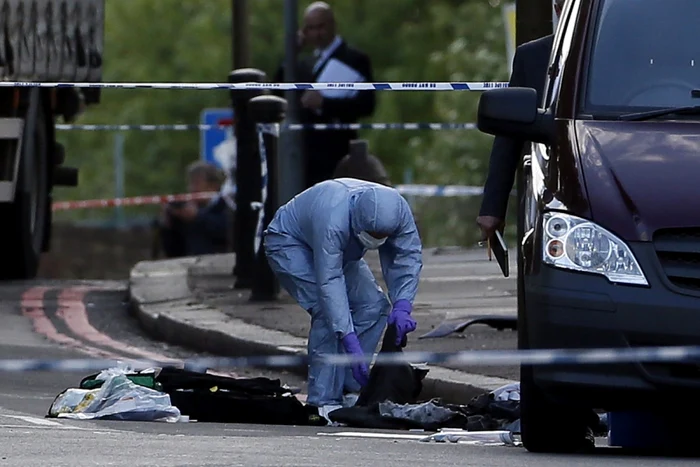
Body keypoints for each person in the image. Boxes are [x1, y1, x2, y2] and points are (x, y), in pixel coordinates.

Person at [263, 178, 422, 416]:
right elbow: (330, 282)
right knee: (326, 313)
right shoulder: (333, 219)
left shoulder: (399, 212)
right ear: (357, 221)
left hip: (337, 250)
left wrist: (402, 305)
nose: (376, 239)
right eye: (371, 233)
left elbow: (407, 256)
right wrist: (348, 337)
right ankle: (323, 401)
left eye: (382, 234)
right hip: (289, 243)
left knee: (374, 306)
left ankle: (351, 387)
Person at [476, 0, 565, 240]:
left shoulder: (632, 55)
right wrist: (492, 207)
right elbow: (509, 131)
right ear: (557, 9)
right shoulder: (533, 57)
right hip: (552, 186)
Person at [273, 2, 377, 189]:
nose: (316, 33)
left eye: (321, 26)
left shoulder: (354, 59)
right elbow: (277, 91)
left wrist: (325, 103)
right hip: (305, 154)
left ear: (332, 25)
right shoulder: (304, 63)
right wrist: (291, 53)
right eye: (310, 28)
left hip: (337, 151)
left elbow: (367, 105)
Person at [158, 161, 231, 258]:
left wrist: (197, 216)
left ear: (213, 186)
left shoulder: (228, 205)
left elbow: (228, 232)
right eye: (190, 183)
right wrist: (169, 224)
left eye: (196, 183)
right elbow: (173, 251)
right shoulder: (188, 211)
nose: (191, 188)